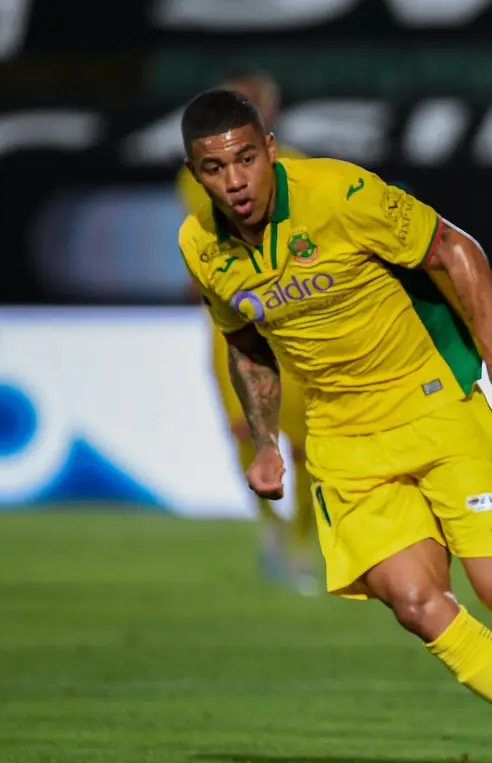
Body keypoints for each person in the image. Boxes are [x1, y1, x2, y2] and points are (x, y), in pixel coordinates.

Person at [177, 87, 492, 763]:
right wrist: (267, 442)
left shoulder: (341, 193)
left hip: (432, 407)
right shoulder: (201, 244)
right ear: (195, 173)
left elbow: (457, 250)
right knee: (419, 606)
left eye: (245, 159)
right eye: (214, 168)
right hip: (342, 441)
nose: (234, 181)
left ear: (270, 149)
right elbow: (244, 342)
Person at [176, 74, 317, 593]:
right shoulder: (196, 172)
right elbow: (198, 234)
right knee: (246, 432)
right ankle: (271, 527)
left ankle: (303, 542)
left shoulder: (300, 168)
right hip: (232, 324)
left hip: (289, 325)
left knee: (305, 447)